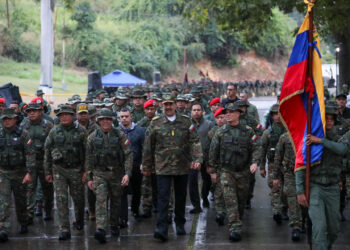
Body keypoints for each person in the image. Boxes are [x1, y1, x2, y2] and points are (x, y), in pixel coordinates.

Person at [142, 94, 203, 241]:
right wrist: (147, 165)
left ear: (176, 105)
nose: (168, 107)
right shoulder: (156, 123)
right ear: (162, 106)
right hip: (162, 167)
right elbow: (148, 146)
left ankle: (180, 223)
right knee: (163, 198)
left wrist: (198, 158)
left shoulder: (186, 121)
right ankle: (162, 228)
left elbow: (194, 141)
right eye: (165, 105)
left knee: (181, 196)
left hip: (182, 166)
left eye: (171, 104)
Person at [297, 105, 350, 250]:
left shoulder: (337, 138)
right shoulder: (308, 140)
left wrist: (321, 141)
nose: (330, 122)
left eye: (332, 119)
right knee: (320, 228)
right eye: (326, 119)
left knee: (334, 228)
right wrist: (300, 191)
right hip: (315, 188)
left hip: (333, 188)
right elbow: (300, 166)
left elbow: (343, 149)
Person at [209, 102, 260, 242]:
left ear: (238, 113)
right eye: (226, 113)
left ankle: (237, 218)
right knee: (230, 200)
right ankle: (235, 228)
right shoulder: (220, 132)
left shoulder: (248, 131)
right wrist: (213, 171)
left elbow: (256, 147)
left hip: (243, 172)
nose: (228, 115)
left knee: (241, 200)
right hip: (226, 172)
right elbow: (213, 152)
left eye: (231, 112)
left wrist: (255, 162)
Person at [86, 108, 132, 243]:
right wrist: (89, 177)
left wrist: (127, 173)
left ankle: (113, 224)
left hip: (117, 173)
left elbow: (128, 154)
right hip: (99, 173)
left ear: (112, 120)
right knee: (100, 199)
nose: (105, 122)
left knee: (116, 201)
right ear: (98, 121)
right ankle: (100, 228)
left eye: (108, 119)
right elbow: (88, 159)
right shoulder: (92, 137)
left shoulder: (120, 135)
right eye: (102, 119)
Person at [44, 105, 87, 240]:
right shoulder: (54, 132)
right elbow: (47, 152)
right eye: (61, 115)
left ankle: (79, 220)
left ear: (72, 116)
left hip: (77, 170)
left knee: (79, 199)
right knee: (61, 200)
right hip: (59, 170)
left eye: (66, 115)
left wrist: (86, 171)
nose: (63, 117)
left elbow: (88, 153)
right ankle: (64, 228)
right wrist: (47, 171)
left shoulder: (81, 131)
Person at [0, 108, 36, 243]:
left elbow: (30, 153)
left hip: (19, 172)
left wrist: (29, 172)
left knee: (21, 201)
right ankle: (3, 228)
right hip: (3, 172)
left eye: (9, 118)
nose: (7, 121)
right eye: (5, 119)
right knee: (3, 201)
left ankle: (23, 221)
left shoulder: (24, 134)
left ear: (15, 119)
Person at [21, 103, 54, 223]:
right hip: (30, 163)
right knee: (29, 188)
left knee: (47, 187)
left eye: (34, 111)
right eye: (29, 111)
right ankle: (29, 213)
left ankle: (48, 210)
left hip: (44, 161)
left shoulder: (48, 125)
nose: (31, 113)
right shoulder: (23, 126)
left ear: (41, 112)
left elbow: (52, 145)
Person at [273, 132, 302, 241]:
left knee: (304, 199)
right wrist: (276, 176)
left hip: (307, 173)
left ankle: (302, 220)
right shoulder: (285, 137)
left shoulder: (310, 135)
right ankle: (296, 226)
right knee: (292, 197)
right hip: (290, 173)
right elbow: (278, 156)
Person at [260, 104, 286, 222]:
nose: (277, 116)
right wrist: (262, 167)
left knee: (286, 189)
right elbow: (262, 150)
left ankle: (284, 208)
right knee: (274, 186)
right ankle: (277, 211)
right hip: (272, 164)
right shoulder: (268, 133)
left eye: (279, 113)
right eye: (275, 114)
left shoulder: (289, 131)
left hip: (287, 164)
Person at [119, 108, 145, 220]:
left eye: (126, 116)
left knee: (136, 190)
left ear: (131, 117)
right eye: (122, 117)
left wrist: (143, 163)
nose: (124, 119)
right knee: (122, 191)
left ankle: (135, 210)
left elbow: (144, 148)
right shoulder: (116, 131)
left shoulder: (139, 131)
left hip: (136, 164)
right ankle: (123, 217)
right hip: (121, 166)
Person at [189, 102, 214, 213]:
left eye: (198, 110)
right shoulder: (187, 124)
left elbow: (213, 143)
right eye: (194, 110)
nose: (196, 112)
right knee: (192, 182)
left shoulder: (209, 124)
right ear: (191, 112)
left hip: (206, 157)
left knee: (207, 181)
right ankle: (196, 205)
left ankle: (204, 197)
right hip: (192, 159)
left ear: (202, 111)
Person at [138, 99, 158, 217]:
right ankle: (146, 208)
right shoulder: (140, 124)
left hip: (159, 159)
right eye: (148, 109)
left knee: (159, 185)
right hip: (145, 159)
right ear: (145, 110)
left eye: (152, 109)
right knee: (146, 185)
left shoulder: (160, 122)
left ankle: (158, 205)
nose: (150, 111)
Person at [207, 107, 227, 225]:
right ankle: (220, 213)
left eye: (222, 117)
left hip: (230, 166)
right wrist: (210, 167)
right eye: (218, 118)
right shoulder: (212, 133)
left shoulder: (230, 130)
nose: (220, 120)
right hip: (217, 166)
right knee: (218, 190)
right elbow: (207, 150)